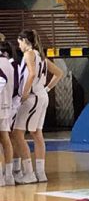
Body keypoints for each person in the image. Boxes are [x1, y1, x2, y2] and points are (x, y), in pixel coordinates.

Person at [10, 30, 63, 184]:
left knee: (17, 134)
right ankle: (40, 173)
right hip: (41, 95)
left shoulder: (29, 54)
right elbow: (59, 73)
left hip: (33, 97)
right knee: (36, 133)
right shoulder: (42, 57)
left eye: (19, 42)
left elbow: (32, 74)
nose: (19, 46)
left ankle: (29, 173)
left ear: (24, 40)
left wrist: (25, 92)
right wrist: (46, 89)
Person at [0, 42, 17, 187]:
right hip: (7, 105)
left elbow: (1, 80)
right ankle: (9, 176)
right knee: (5, 139)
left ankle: (0, 177)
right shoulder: (10, 64)